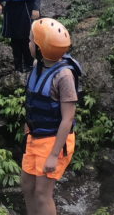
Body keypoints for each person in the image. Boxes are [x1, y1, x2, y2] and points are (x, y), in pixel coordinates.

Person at [22, 17, 80, 215]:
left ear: (39, 47)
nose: (28, 43)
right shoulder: (38, 65)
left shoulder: (64, 76)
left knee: (42, 193)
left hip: (54, 142)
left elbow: (67, 118)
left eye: (31, 41)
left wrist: (54, 155)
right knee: (27, 187)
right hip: (35, 136)